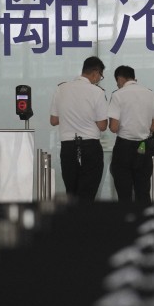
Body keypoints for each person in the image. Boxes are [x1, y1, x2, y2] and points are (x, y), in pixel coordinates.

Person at [49, 56, 109, 201]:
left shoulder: (61, 89)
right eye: (100, 76)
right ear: (95, 73)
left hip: (68, 147)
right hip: (90, 147)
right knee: (88, 193)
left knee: (72, 191)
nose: (99, 79)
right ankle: (85, 222)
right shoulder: (97, 92)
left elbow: (54, 120)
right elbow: (102, 125)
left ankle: (72, 222)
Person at [107, 65, 154, 202]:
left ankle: (125, 221)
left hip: (124, 147)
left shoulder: (118, 94)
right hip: (143, 147)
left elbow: (113, 127)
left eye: (117, 81)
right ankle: (144, 221)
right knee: (143, 190)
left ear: (119, 78)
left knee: (124, 192)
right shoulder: (150, 94)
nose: (117, 84)